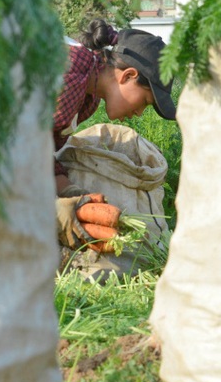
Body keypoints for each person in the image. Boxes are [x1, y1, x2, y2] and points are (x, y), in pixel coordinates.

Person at [54, 20, 175, 255]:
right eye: (145, 102)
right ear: (128, 76)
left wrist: (73, 194)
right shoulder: (69, 72)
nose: (139, 113)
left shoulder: (87, 98)